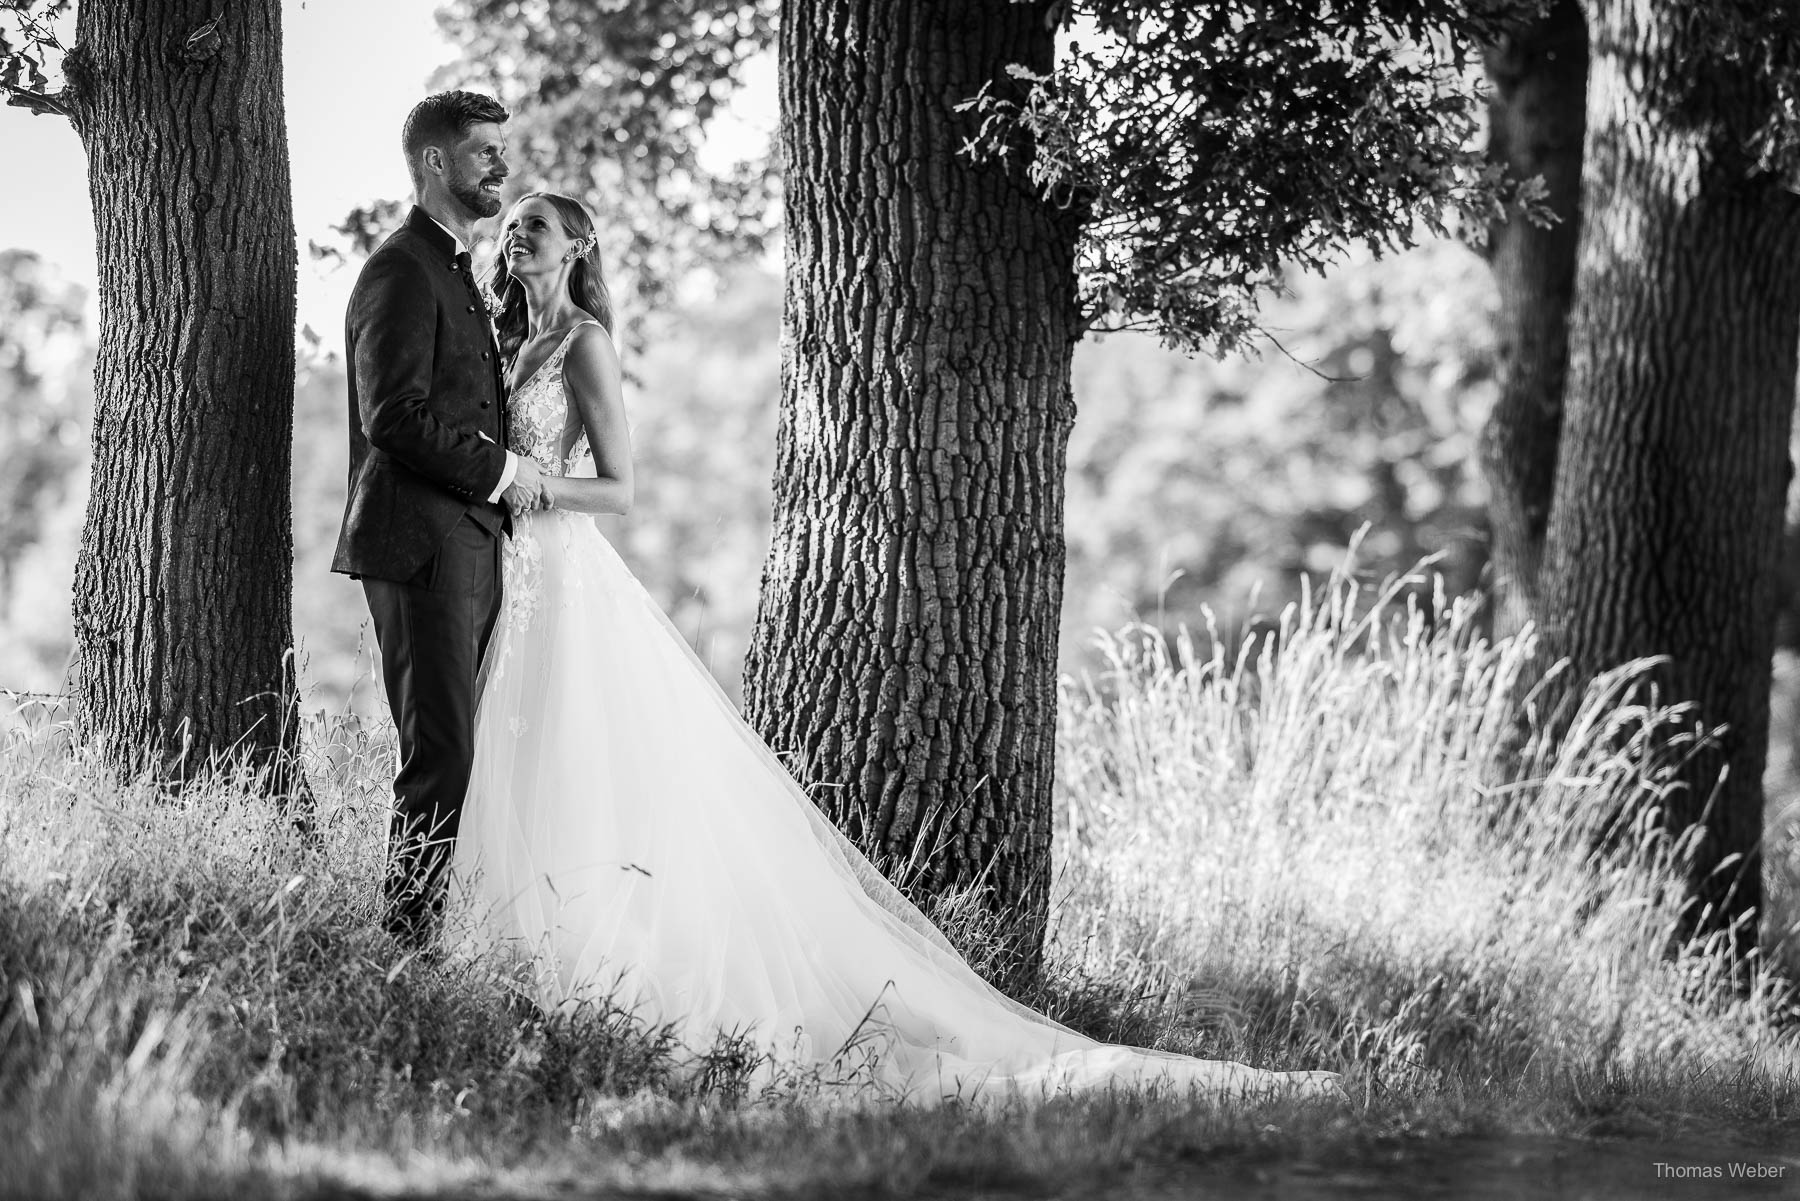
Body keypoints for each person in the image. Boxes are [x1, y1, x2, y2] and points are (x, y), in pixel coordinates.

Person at [448, 191, 1340, 1106]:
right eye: (510, 225)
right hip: (512, 576)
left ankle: (608, 984)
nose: (516, 237)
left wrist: (530, 480)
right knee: (523, 760)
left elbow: (621, 489)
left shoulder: (583, 342)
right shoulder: (505, 339)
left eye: (535, 227)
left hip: (566, 573)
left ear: (576, 245)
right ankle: (519, 974)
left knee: (581, 760)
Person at [332, 91, 550, 948]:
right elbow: (393, 416)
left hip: (467, 547)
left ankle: (429, 936)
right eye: (484, 150)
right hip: (419, 548)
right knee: (441, 754)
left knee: (461, 751)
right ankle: (403, 950)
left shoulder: (456, 270)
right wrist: (504, 470)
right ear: (434, 161)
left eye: (503, 148)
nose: (501, 162)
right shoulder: (400, 269)